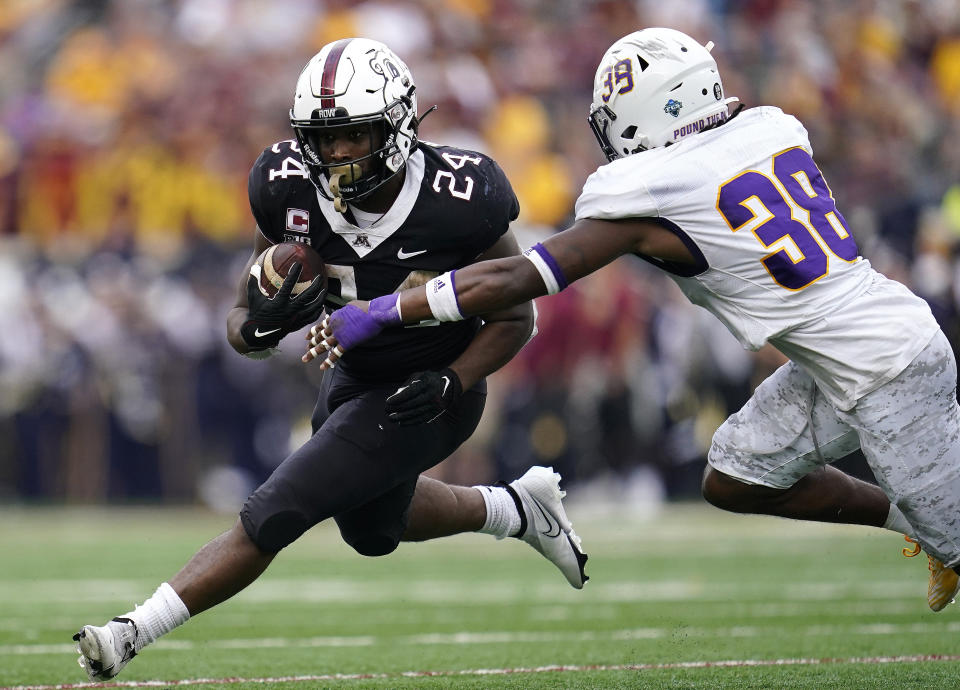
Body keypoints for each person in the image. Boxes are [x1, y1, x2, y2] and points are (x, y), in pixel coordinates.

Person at [312, 27, 960, 614]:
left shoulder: (657, 186)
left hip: (886, 366)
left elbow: (517, 278)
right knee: (736, 474)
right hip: (853, 349)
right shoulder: (774, 127)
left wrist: (393, 307)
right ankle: (919, 526)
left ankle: (941, 533)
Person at [73, 38, 588, 681]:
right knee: (373, 528)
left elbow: (518, 314)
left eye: (353, 135)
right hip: (351, 376)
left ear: (396, 125)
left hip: (429, 386)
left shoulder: (461, 194)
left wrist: (456, 379)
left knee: (277, 509)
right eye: (324, 137)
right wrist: (261, 327)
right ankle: (516, 508)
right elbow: (239, 320)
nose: (337, 152)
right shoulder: (284, 183)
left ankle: (130, 632)